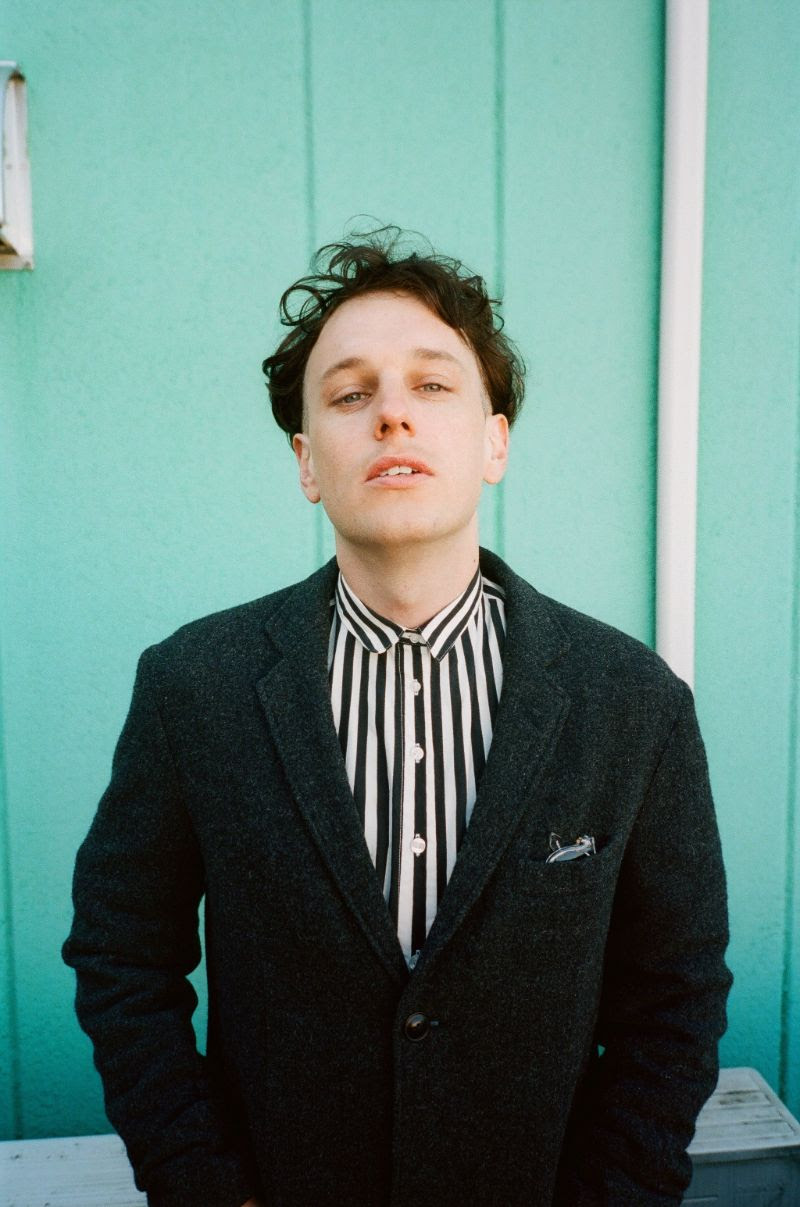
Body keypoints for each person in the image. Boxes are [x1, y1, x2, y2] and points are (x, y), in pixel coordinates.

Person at [64, 228, 732, 1207]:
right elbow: (121, 951)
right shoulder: (194, 686)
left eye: (431, 384)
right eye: (349, 394)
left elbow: (674, 990)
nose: (390, 414)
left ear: (494, 441)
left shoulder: (631, 701)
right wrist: (202, 1184)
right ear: (306, 461)